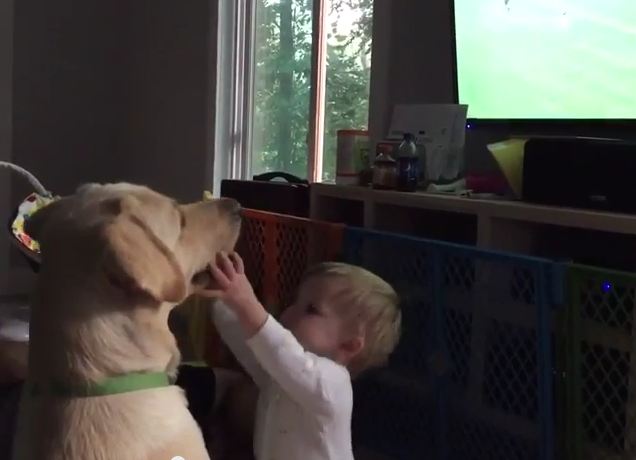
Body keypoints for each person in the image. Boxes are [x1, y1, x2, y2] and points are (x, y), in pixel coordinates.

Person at [198, 252, 402, 460]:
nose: (289, 311)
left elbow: (282, 353)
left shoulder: (333, 385)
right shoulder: (280, 372)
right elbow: (245, 340)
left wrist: (245, 302)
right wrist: (221, 297)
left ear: (349, 345)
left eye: (310, 309)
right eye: (295, 302)